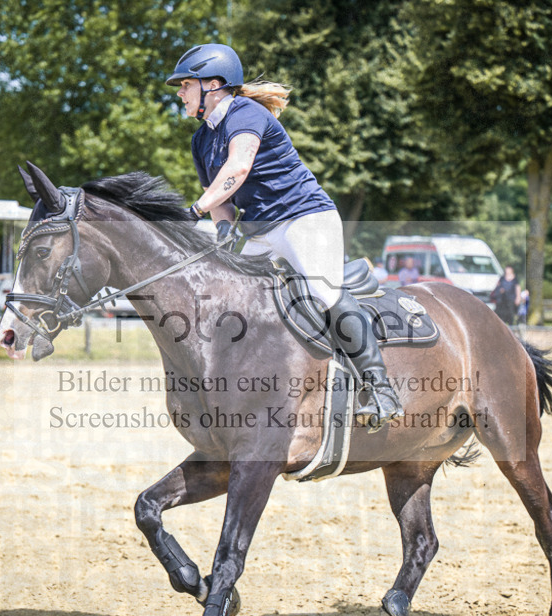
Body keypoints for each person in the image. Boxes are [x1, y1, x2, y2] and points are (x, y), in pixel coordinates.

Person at [167, 42, 402, 430]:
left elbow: (238, 169)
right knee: (233, 297)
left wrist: (192, 211)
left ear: (213, 85)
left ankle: (380, 389)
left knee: (324, 293)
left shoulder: (246, 112)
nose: (179, 93)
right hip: (260, 229)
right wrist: (223, 230)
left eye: (185, 85)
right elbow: (221, 198)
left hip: (304, 218)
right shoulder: (201, 139)